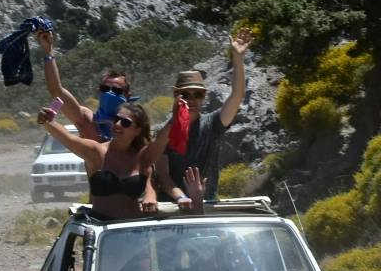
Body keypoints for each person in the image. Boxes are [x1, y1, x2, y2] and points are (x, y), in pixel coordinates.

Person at [163, 29, 253, 206]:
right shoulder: (164, 132)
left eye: (197, 94)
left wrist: (237, 57)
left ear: (204, 96)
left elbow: (237, 96)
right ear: (176, 95)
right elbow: (162, 175)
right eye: (185, 94)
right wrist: (182, 198)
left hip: (208, 205)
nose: (192, 99)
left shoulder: (212, 124)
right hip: (172, 206)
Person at [35, 100, 160, 220]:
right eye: (117, 119)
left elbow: (150, 182)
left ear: (137, 130)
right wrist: (47, 121)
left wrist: (151, 196)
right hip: (101, 231)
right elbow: (69, 138)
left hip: (132, 229)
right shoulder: (97, 152)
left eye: (125, 123)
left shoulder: (142, 157)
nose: (117, 124)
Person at [34, 26, 132, 144]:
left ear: (127, 95)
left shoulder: (136, 125)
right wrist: (48, 51)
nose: (109, 94)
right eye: (105, 88)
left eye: (117, 90)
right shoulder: (87, 121)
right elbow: (56, 91)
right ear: (99, 92)